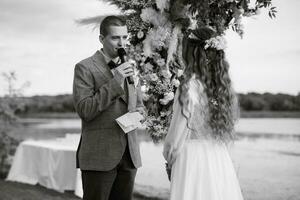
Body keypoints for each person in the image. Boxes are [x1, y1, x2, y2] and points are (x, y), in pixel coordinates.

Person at [163, 27, 244, 200]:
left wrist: (169, 159)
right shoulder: (222, 87)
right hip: (218, 156)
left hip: (191, 159)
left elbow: (176, 135)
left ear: (191, 53)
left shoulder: (188, 87)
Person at [73, 15, 144, 200]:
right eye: (115, 38)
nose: (121, 43)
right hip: (99, 156)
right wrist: (116, 80)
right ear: (101, 39)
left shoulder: (130, 66)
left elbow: (139, 105)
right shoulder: (84, 67)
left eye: (125, 38)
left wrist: (141, 113)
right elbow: (85, 110)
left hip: (129, 156)